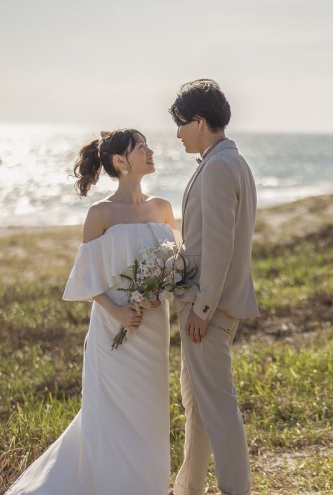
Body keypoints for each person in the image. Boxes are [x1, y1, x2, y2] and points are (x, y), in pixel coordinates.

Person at [6, 129, 177, 494]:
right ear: (121, 161)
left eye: (147, 144)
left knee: (150, 411)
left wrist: (159, 291)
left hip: (153, 326)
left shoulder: (162, 208)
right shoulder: (99, 214)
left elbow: (175, 266)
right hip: (113, 329)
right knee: (110, 413)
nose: (150, 150)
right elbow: (86, 280)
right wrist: (115, 309)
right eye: (141, 147)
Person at [169, 79, 259, 495]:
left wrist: (202, 310)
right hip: (207, 305)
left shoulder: (221, 166)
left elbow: (220, 247)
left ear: (200, 122)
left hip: (208, 308)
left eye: (182, 124)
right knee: (199, 409)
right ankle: (188, 488)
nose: (178, 133)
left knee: (219, 410)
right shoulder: (227, 160)